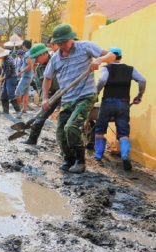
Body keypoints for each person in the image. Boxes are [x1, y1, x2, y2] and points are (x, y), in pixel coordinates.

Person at [41, 24, 116, 174]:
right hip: (68, 98)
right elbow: (47, 78)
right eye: (59, 43)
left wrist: (99, 59)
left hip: (85, 95)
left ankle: (80, 161)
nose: (63, 45)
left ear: (71, 38)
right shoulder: (55, 59)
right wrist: (44, 98)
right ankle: (68, 159)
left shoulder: (85, 47)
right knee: (61, 132)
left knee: (71, 127)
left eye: (65, 42)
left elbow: (112, 55)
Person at [92, 47, 146, 171]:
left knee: (100, 129)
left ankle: (98, 155)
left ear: (110, 56)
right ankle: (125, 156)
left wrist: (96, 93)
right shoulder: (129, 69)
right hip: (123, 103)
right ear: (121, 57)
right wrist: (139, 95)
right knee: (123, 132)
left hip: (107, 103)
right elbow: (142, 80)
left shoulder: (106, 68)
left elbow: (103, 80)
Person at [21, 43, 60, 145]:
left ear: (44, 54)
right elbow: (39, 86)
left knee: (63, 122)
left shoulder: (57, 60)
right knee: (40, 118)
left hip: (64, 94)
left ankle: (65, 149)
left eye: (37, 57)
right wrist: (44, 99)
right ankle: (32, 140)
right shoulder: (39, 69)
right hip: (50, 96)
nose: (36, 60)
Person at [0, 46, 20, 115]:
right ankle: (5, 110)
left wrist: (2, 78)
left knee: (10, 94)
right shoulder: (4, 59)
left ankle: (18, 111)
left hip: (11, 78)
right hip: (6, 78)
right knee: (4, 94)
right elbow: (3, 70)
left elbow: (9, 73)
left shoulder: (8, 60)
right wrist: (2, 78)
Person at [15, 40, 34, 119]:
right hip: (29, 76)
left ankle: (18, 110)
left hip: (26, 76)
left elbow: (29, 65)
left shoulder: (27, 54)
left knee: (17, 92)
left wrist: (20, 72)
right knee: (26, 93)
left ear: (24, 45)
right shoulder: (32, 53)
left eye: (22, 46)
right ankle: (24, 109)